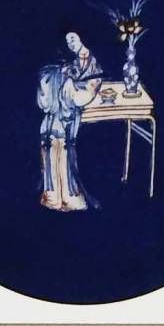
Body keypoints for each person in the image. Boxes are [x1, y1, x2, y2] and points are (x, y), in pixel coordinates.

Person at [36, 31, 102, 212]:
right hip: (61, 117)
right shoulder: (65, 67)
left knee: (59, 143)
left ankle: (64, 196)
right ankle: (59, 196)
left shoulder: (90, 62)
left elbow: (87, 89)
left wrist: (71, 87)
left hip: (65, 115)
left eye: (73, 39)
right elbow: (55, 96)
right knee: (55, 141)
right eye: (67, 41)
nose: (70, 43)